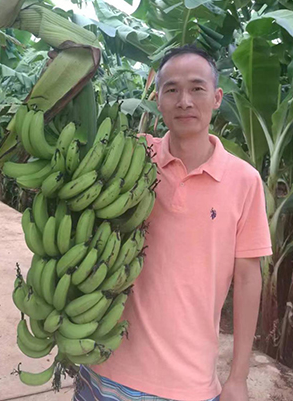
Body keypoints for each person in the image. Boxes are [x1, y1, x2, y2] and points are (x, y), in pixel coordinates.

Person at [75, 46, 272, 401]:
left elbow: (247, 279)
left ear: (217, 98)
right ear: (158, 100)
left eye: (197, 88)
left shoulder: (244, 180)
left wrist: (238, 377)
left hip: (187, 383)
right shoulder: (131, 158)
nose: (184, 101)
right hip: (103, 367)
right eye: (172, 90)